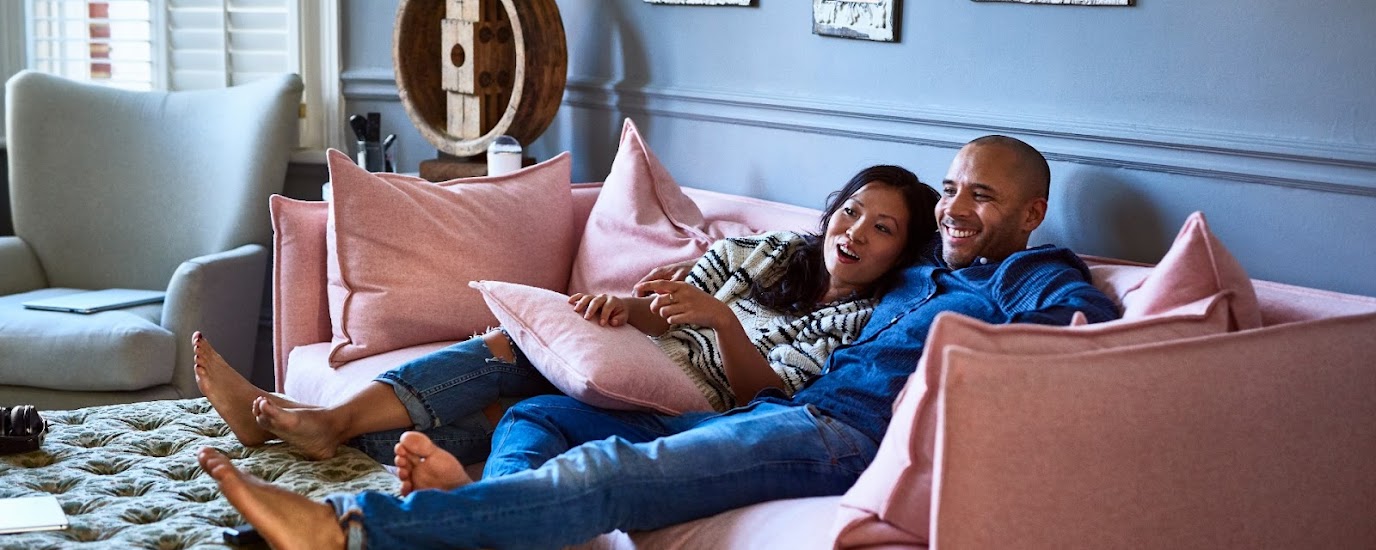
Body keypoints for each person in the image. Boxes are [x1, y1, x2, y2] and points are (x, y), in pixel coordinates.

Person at [195, 135, 1121, 550]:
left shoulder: (1023, 275)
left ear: (1031, 214)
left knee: (607, 479)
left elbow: (1081, 324)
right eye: (953, 188)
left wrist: (969, 358)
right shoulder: (918, 273)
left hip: (845, 436)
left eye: (982, 197)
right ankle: (486, 510)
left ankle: (355, 535)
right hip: (790, 411)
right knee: (550, 424)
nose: (957, 208)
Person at [191, 164, 942, 466]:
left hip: (703, 396)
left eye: (882, 229)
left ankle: (303, 422)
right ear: (830, 214)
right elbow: (664, 307)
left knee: (520, 390)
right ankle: (310, 424)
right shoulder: (777, 251)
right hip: (652, 352)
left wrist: (721, 324)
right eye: (851, 212)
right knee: (504, 361)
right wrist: (624, 308)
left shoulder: (867, 321)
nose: (855, 233)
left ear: (902, 252)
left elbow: (765, 399)